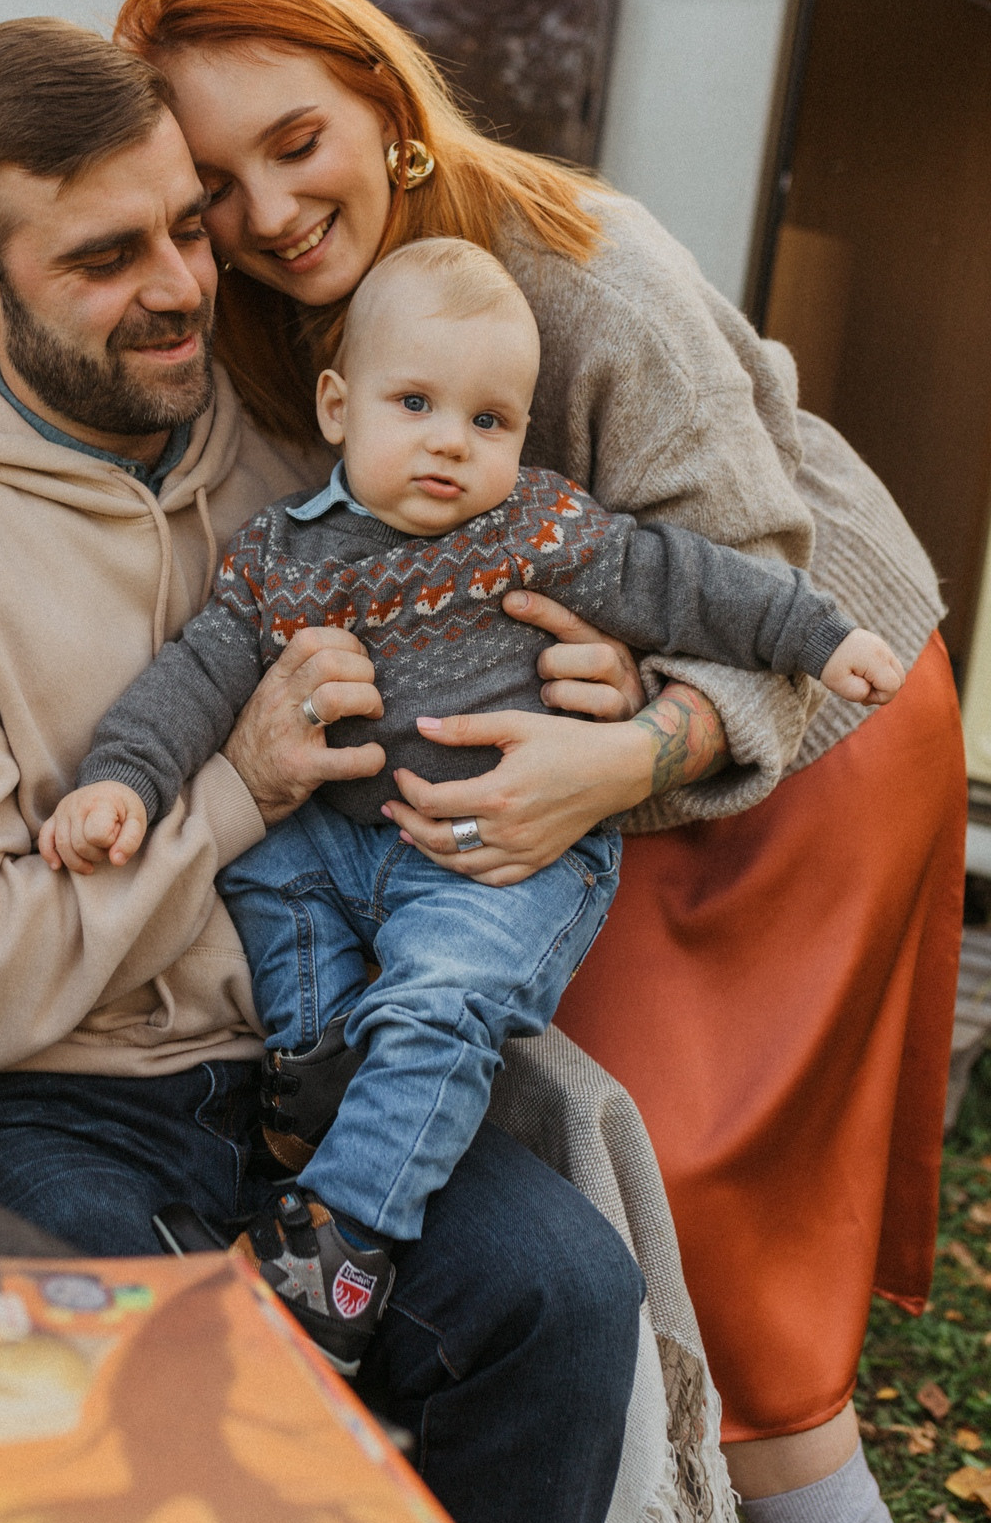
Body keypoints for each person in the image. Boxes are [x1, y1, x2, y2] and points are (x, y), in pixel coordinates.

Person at [111, 0, 965, 1523]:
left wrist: (637, 743)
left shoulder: (589, 280)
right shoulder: (303, 322)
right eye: (215, 185)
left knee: (680, 1181)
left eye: (299, 140)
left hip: (812, 722)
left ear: (381, 95)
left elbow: (757, 591)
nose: (274, 209)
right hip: (569, 722)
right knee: (585, 1138)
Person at [0, 17, 643, 1523]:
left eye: (186, 225)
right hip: (17, 1098)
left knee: (563, 1291)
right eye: (106, 256)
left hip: (301, 1070)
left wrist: (607, 687)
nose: (181, 279)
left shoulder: (305, 463)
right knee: (164, 1368)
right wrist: (237, 788)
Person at [46, 234, 902, 1375]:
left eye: (490, 421)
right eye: (418, 404)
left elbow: (684, 581)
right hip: (346, 844)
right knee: (258, 863)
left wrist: (820, 633)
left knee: (441, 1001)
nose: (453, 442)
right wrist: (121, 779)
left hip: (498, 862)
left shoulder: (537, 532)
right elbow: (197, 677)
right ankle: (319, 1067)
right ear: (341, 407)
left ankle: (339, 1251)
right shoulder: (279, 559)